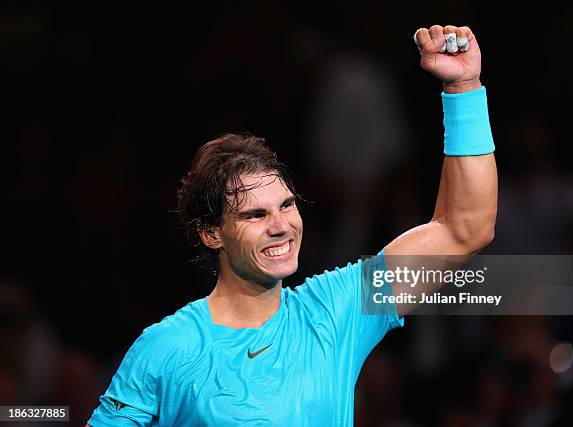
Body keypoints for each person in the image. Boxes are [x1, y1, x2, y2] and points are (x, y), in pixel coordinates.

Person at [86, 24, 497, 426]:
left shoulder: (337, 310)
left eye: (286, 205)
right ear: (211, 233)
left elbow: (464, 230)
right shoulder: (165, 349)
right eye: (255, 215)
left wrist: (464, 89)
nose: (281, 226)